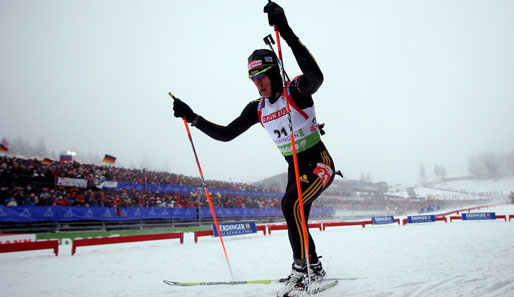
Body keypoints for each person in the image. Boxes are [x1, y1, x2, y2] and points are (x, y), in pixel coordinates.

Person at [173, 2, 337, 294]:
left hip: (319, 162)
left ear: (274, 74)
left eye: (260, 76)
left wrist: (285, 30)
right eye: (252, 78)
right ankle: (313, 265)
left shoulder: (295, 92)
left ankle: (302, 269)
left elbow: (317, 78)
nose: (257, 83)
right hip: (294, 167)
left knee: (291, 205)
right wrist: (193, 118)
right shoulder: (257, 108)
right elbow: (226, 134)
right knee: (295, 212)